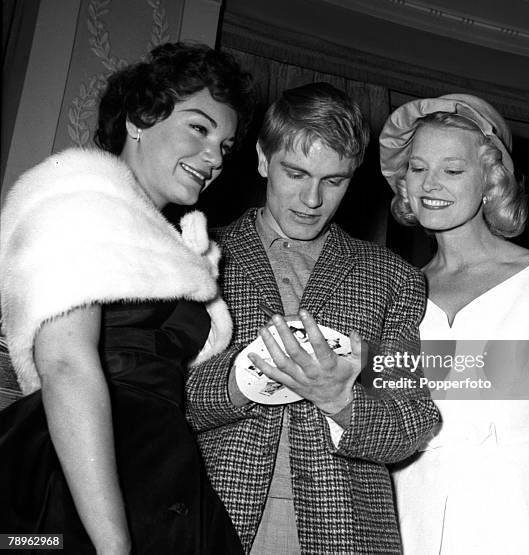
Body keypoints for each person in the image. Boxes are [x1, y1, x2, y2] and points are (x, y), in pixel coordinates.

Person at [0, 42, 254, 554]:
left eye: (225, 146)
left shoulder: (174, 245)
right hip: (78, 470)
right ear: (141, 117)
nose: (214, 158)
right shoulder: (77, 200)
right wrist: (112, 544)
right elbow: (67, 366)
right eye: (199, 128)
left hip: (162, 465)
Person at [185, 82, 439, 554]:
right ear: (263, 159)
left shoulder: (392, 278)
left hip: (347, 531)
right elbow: (153, 399)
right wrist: (242, 378)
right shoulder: (197, 256)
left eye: (334, 180)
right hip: (209, 518)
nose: (312, 199)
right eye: (296, 173)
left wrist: (341, 398)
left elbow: (411, 421)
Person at [379, 93, 529, 554]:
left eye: (452, 169)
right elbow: (381, 412)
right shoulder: (392, 289)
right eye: (418, 167)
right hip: (413, 509)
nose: (430, 184)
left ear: (490, 180)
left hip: (526, 510)